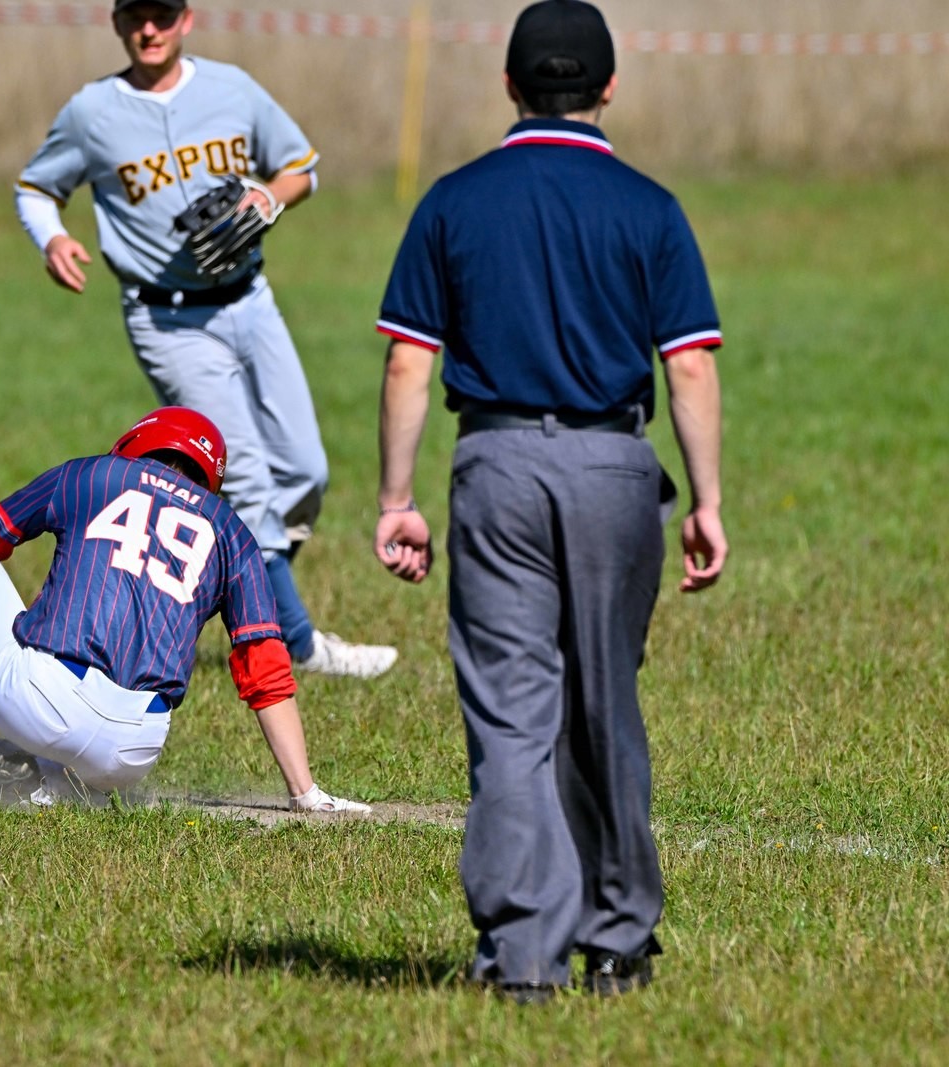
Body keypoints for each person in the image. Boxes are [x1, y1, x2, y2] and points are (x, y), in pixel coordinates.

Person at [372, 0, 728, 1002]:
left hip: (494, 468)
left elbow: (409, 359)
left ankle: (524, 955)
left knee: (512, 714)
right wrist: (704, 499)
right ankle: (617, 936)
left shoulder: (453, 199)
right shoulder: (649, 205)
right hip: (615, 467)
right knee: (604, 702)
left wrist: (396, 496)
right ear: (607, 88)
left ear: (509, 87)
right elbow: (690, 367)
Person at [14, 0, 396, 680]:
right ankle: (298, 643)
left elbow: (302, 168)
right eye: (135, 15)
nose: (149, 28)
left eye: (161, 13)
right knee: (246, 475)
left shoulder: (232, 90)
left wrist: (268, 199)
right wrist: (53, 237)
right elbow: (36, 188)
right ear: (117, 23)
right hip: (167, 320)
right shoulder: (93, 111)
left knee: (304, 470)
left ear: (186, 18)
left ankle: (239, 575)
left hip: (251, 302)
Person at [0, 406, 370, 814]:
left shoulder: (91, 474)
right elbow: (265, 669)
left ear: (136, 445)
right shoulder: (231, 531)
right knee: (78, 699)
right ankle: (61, 785)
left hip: (39, 704)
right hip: (133, 750)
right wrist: (304, 793)